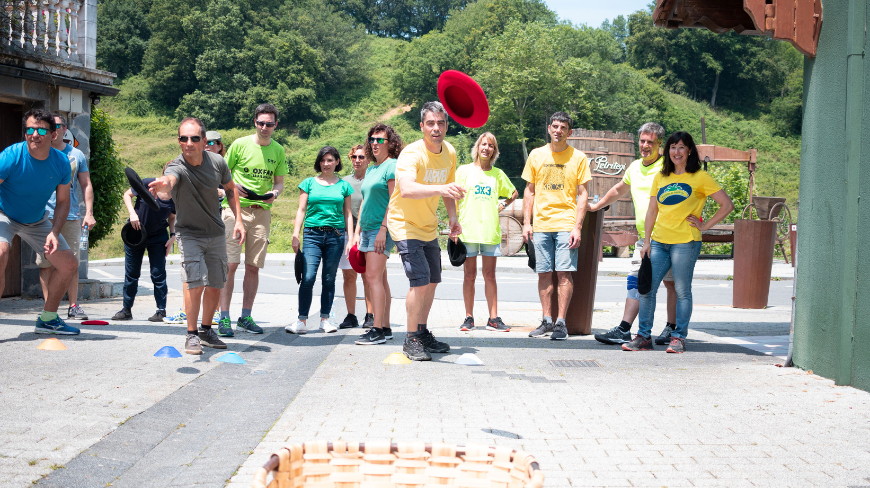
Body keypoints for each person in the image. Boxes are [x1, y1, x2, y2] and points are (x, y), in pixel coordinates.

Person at [622, 131, 734, 353]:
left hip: (686, 242)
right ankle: (644, 336)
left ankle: (678, 337)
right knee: (647, 290)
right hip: (659, 242)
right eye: (673, 147)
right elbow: (652, 210)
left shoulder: (700, 177)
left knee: (682, 291)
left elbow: (727, 205)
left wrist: (704, 226)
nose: (677, 152)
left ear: (689, 150)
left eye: (681, 147)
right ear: (668, 151)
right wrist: (646, 241)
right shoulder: (661, 177)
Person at [148, 117, 245, 355]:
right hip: (189, 233)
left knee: (215, 283)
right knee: (195, 282)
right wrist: (163, 184)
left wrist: (239, 220)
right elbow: (170, 180)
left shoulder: (218, 162)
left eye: (194, 138)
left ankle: (206, 330)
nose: (188, 143)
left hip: (215, 231)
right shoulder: (176, 166)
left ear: (203, 140)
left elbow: (231, 189)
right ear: (178, 141)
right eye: (183, 138)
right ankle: (191, 334)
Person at [386, 101, 463, 361]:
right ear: (422, 126)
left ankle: (421, 332)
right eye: (430, 123)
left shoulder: (449, 152)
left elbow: (450, 189)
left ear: (446, 126)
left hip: (429, 226)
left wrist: (453, 219)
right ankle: (410, 339)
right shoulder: (411, 154)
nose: (436, 128)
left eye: (440, 123)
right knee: (419, 282)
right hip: (405, 224)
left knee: (432, 282)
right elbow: (406, 189)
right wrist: (440, 189)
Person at [589, 123, 679, 345]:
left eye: (650, 142)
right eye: (642, 141)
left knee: (671, 285)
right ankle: (625, 329)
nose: (645, 145)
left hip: (670, 237)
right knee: (636, 280)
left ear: (660, 144)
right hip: (645, 239)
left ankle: (670, 328)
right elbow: (619, 189)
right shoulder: (635, 167)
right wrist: (597, 205)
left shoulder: (668, 168)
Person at [0, 109, 79, 334]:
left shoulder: (62, 163)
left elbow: (63, 202)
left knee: (68, 264)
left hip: (37, 220)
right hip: (3, 213)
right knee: (0, 253)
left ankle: (48, 318)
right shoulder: (11, 156)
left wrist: (54, 232)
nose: (34, 134)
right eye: (30, 129)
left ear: (53, 135)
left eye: (41, 130)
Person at [218, 104, 287, 337]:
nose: (264, 127)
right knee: (230, 265)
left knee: (253, 266)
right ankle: (224, 317)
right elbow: (222, 175)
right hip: (235, 210)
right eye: (261, 123)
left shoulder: (278, 150)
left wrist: (274, 194)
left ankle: (245, 316)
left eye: (269, 124)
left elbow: (279, 183)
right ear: (254, 123)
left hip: (261, 211)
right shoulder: (240, 144)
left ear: (276, 125)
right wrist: (234, 186)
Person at [522, 111, 591, 341]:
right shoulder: (536, 155)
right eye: (554, 126)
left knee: (564, 274)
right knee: (543, 274)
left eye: (563, 127)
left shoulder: (578, 158)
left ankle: (561, 323)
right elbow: (529, 190)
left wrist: (577, 227)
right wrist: (526, 223)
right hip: (541, 224)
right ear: (549, 129)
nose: (558, 131)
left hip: (566, 223)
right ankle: (546, 321)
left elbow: (583, 194)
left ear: (569, 132)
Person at [286, 146, 354, 334]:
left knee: (329, 279)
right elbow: (301, 210)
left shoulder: (343, 186)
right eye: (323, 160)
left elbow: (347, 213)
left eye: (330, 160)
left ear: (337, 162)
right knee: (307, 277)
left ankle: (325, 319)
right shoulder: (308, 183)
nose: (326, 164)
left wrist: (350, 238)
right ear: (319, 162)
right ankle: (301, 321)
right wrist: (295, 234)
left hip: (336, 236)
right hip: (312, 235)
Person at [35, 114, 96, 320]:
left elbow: (86, 184)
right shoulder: (39, 152)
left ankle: (73, 305)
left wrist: (89, 213)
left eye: (57, 126)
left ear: (64, 129)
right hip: (42, 217)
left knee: (71, 262)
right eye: (50, 126)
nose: (53, 129)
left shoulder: (76, 155)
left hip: (69, 216)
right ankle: (48, 309)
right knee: (46, 263)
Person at [455, 132, 517, 332]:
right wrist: (453, 223)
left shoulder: (498, 174)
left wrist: (501, 205)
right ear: (477, 147)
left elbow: (514, 193)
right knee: (469, 275)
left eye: (490, 145)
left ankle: (493, 318)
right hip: (468, 230)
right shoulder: (464, 171)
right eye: (483, 144)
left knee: (490, 275)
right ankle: (468, 317)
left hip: (490, 231)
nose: (486, 148)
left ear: (494, 150)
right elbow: (454, 197)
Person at [353, 124, 403, 345]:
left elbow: (395, 200)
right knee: (380, 280)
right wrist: (357, 232)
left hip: (380, 229)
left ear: (390, 143)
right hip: (367, 229)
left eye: (380, 140)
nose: (374, 143)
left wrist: (383, 229)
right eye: (372, 139)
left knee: (372, 279)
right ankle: (386, 327)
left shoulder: (392, 166)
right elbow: (365, 201)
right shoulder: (372, 169)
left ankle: (378, 329)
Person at [112, 174, 176, 322]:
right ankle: (126, 309)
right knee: (132, 273)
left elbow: (172, 217)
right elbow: (127, 195)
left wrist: (172, 236)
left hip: (158, 236)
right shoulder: (148, 183)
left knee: (158, 274)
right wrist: (132, 213)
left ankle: (161, 311)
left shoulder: (176, 196)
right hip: (136, 233)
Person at [337, 144, 373, 330]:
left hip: (368, 232)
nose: (358, 160)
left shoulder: (372, 179)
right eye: (354, 157)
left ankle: (370, 314)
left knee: (368, 276)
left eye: (361, 157)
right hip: (347, 233)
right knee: (348, 276)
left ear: (368, 159)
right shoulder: (344, 182)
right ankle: (351, 315)